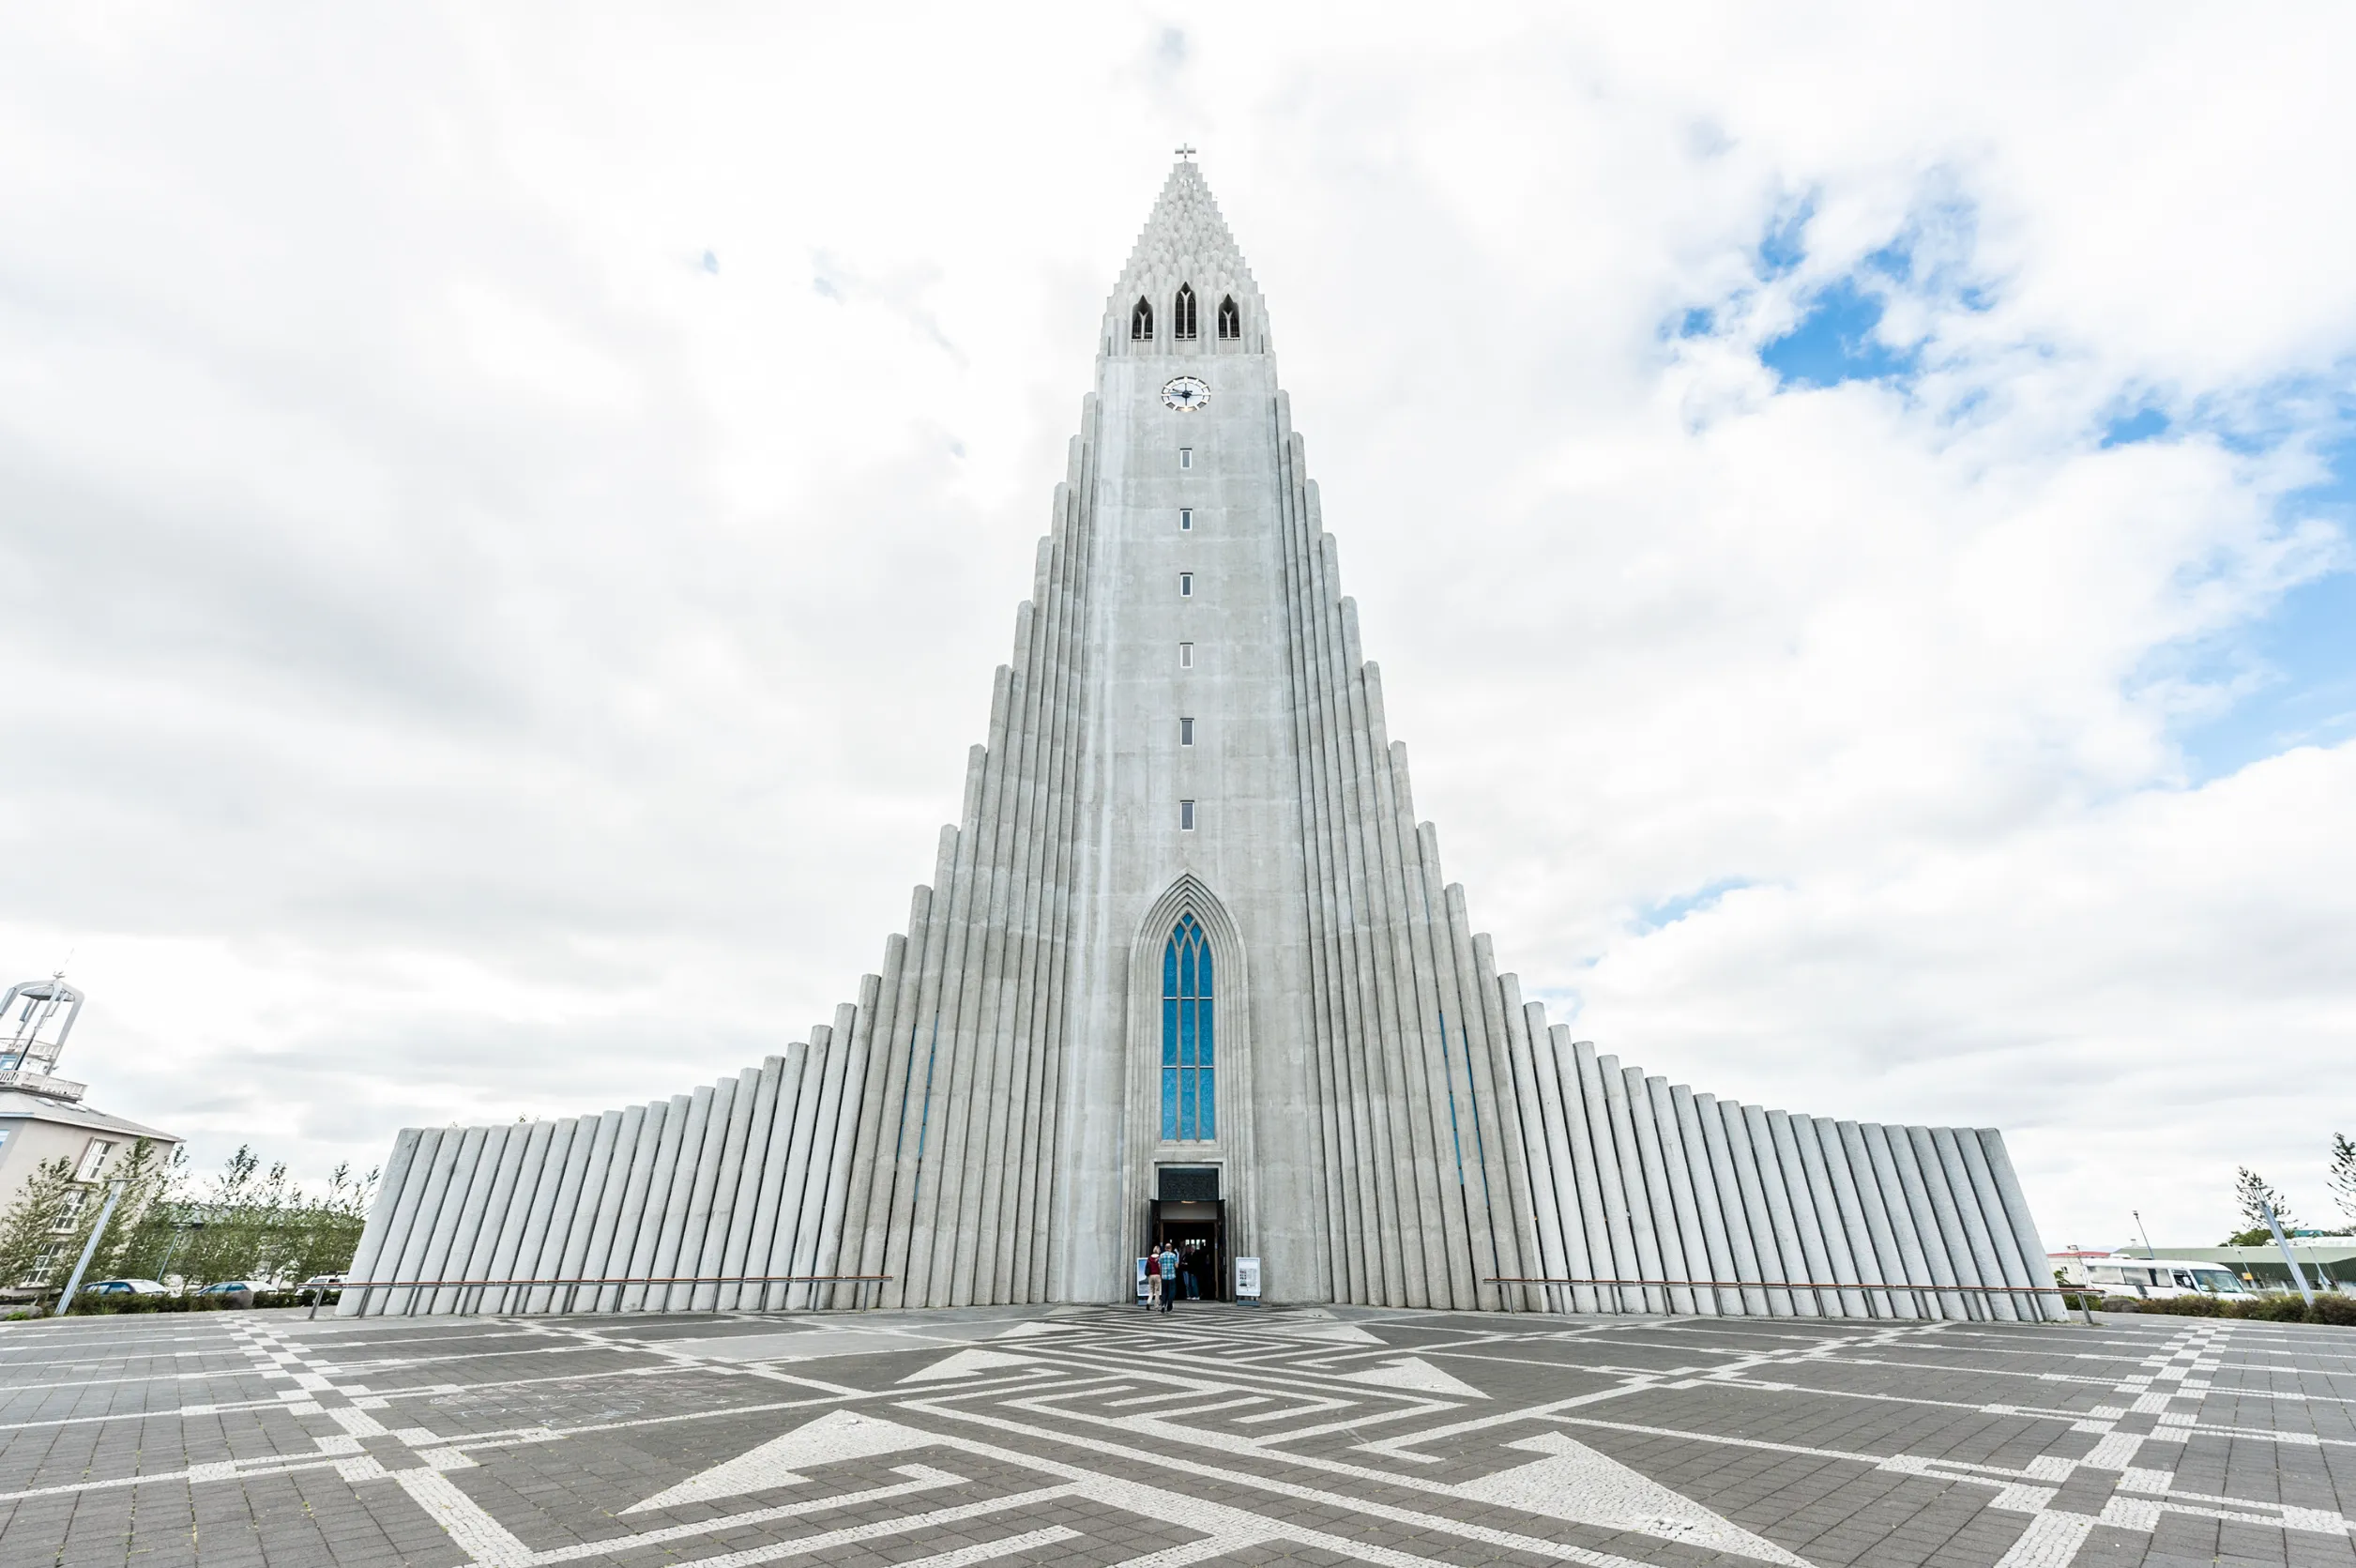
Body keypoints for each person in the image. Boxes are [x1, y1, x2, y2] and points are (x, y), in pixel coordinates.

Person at [1160, 1243, 1180, 1312]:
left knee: (1164, 1291)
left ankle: (1163, 1305)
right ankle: (1169, 1304)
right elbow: (1176, 1266)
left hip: (1164, 1276)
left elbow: (1159, 1266)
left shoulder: (1161, 1255)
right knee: (1172, 1291)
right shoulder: (1173, 1255)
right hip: (1172, 1276)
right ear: (1171, 1248)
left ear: (1165, 1248)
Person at [1144, 1247, 1162, 1312]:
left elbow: (1147, 1266)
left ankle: (1148, 1302)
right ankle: (1156, 1306)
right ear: (1158, 1251)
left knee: (1151, 1290)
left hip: (1150, 1276)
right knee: (1157, 1291)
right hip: (1157, 1275)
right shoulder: (1159, 1258)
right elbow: (1160, 1266)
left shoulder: (1149, 1258)